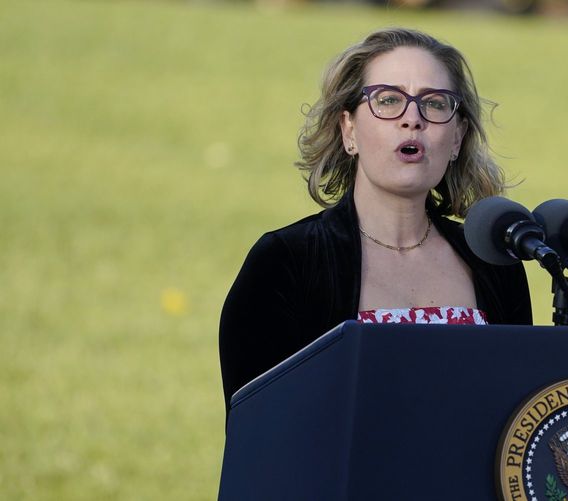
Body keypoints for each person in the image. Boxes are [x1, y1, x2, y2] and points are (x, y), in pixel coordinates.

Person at [219, 28, 532, 411]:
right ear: (348, 129)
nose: (413, 119)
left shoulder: (493, 262)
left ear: (457, 138)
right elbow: (261, 434)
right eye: (388, 100)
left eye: (434, 104)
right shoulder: (286, 261)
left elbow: (520, 420)